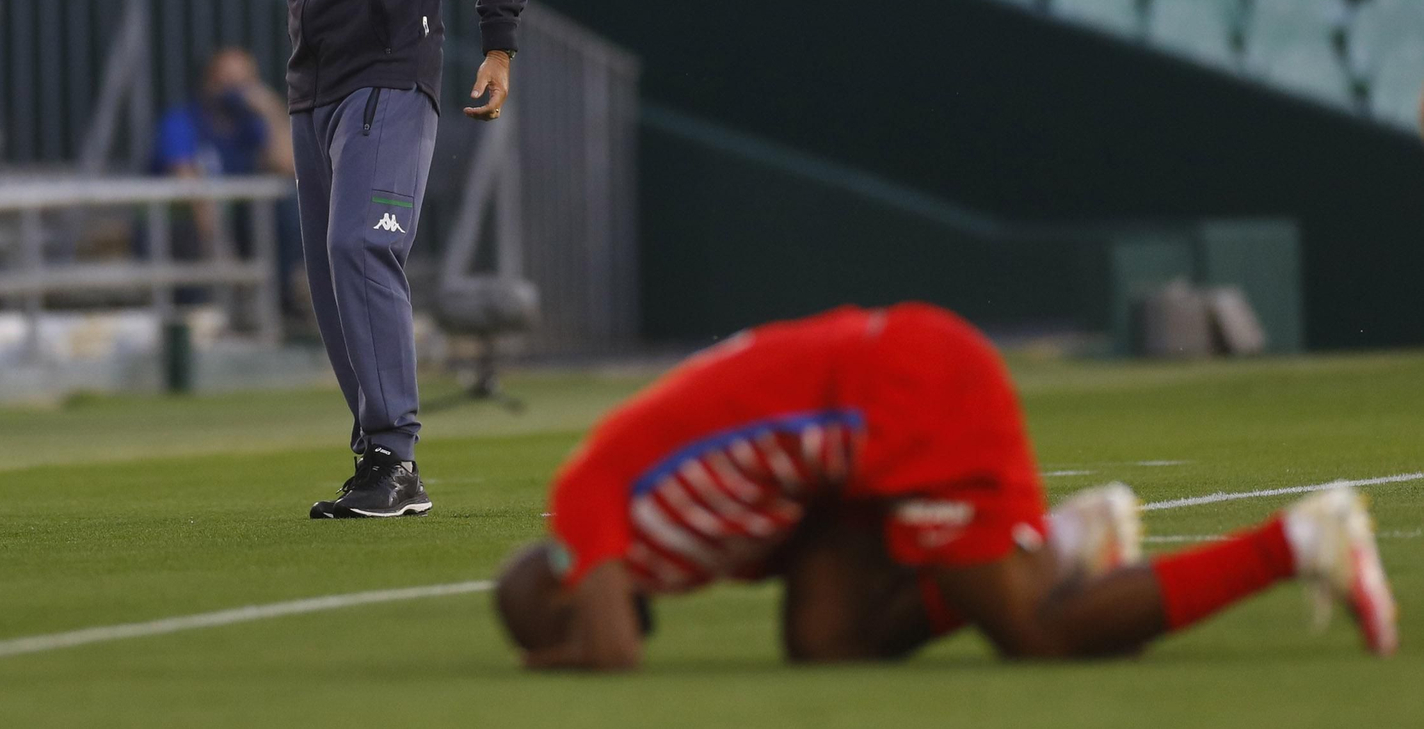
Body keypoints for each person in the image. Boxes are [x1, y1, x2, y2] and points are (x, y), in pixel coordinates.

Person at [494, 304, 1398, 669]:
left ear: (560, 579)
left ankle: (1300, 540)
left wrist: (558, 660)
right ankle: (1072, 539)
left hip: (905, 395)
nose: (581, 617)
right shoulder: (669, 543)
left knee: (1034, 635)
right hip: (868, 432)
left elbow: (614, 654)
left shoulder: (587, 503)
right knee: (827, 641)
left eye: (557, 612)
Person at [259, 0, 526, 519]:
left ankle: (396, 456)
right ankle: (377, 450)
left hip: (390, 73)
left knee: (361, 248)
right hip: (313, 87)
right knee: (331, 276)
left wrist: (498, 43)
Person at [151, 47, 302, 311]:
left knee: (289, 207)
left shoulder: (250, 124)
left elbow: (289, 165)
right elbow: (190, 190)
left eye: (245, 83)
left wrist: (272, 110)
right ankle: (200, 314)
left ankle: (282, 303)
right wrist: (222, 248)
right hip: (181, 230)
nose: (237, 91)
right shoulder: (183, 122)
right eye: (227, 81)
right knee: (192, 233)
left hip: (236, 225)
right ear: (209, 83)